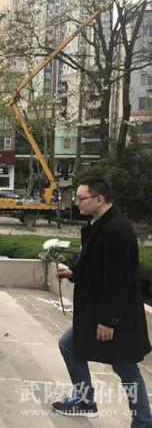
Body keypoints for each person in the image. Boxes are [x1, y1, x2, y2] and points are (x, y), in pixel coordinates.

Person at [52, 177, 152, 425]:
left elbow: (118, 280)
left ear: (99, 199)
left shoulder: (117, 230)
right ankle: (84, 401)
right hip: (96, 312)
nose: (77, 203)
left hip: (115, 316)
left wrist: (109, 320)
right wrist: (74, 273)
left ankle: (143, 421)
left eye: (81, 198)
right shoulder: (99, 224)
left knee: (126, 367)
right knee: (69, 346)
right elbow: (97, 267)